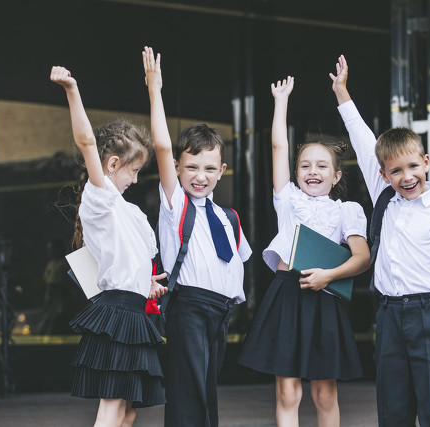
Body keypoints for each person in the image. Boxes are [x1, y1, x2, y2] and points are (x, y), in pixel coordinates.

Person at [330, 55, 430, 427]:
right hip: (388, 316)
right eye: (396, 171)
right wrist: (342, 92)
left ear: (427, 162)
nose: (406, 177)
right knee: (393, 408)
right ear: (383, 174)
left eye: (413, 167)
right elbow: (363, 137)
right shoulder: (384, 196)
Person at [237, 75, 370, 427]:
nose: (313, 171)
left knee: (325, 393)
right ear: (295, 174)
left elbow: (362, 257)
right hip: (287, 295)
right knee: (288, 393)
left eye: (322, 166)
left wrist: (329, 275)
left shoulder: (347, 211)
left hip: (325, 298)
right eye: (305, 166)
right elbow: (279, 148)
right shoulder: (288, 200)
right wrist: (281, 103)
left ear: (337, 176)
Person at [50, 66, 168, 427]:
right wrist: (72, 89)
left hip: (134, 310)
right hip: (118, 312)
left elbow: (127, 261)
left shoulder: (127, 211)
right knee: (114, 405)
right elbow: (87, 142)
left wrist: (144, 283)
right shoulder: (101, 197)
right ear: (113, 164)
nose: (135, 179)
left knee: (127, 409)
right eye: (133, 171)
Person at [142, 46, 252, 427]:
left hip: (220, 313)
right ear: (177, 167)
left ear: (222, 170)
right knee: (189, 397)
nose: (199, 176)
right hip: (188, 308)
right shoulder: (176, 205)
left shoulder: (228, 217)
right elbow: (159, 144)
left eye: (208, 168)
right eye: (190, 167)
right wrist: (155, 89)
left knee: (206, 395)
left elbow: (238, 266)